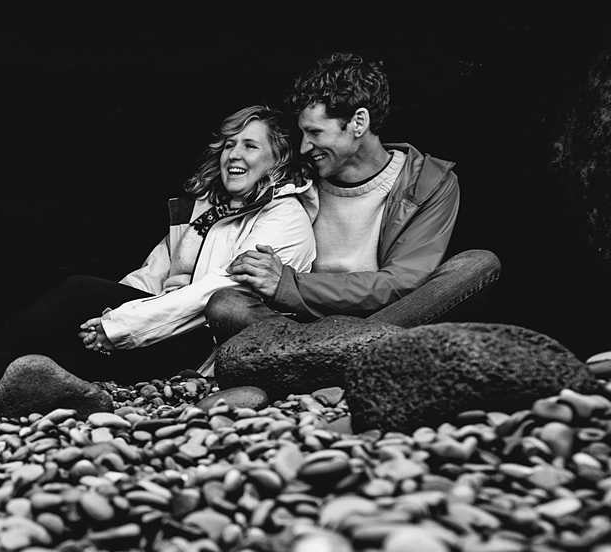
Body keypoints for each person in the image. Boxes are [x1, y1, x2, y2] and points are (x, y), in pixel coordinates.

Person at [0, 105, 318, 398]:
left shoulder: (286, 219)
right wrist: (104, 312)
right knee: (82, 307)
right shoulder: (207, 208)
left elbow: (214, 297)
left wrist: (119, 325)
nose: (231, 155)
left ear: (278, 158)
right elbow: (153, 273)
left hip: (207, 345)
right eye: (227, 144)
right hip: (165, 322)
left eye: (249, 145)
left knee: (84, 328)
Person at [208, 53, 500, 342]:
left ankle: (334, 353)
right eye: (303, 134)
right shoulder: (294, 176)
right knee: (226, 305)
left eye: (315, 132)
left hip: (385, 320)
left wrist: (289, 285)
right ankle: (339, 356)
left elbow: (403, 282)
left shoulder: (429, 183)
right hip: (299, 324)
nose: (306, 146)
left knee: (477, 265)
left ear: (359, 123)